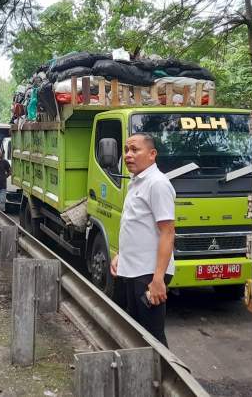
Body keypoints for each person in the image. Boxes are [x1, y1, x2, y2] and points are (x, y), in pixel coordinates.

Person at [110, 133, 176, 347]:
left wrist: (158, 280)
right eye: (127, 150)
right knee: (135, 332)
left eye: (135, 150)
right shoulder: (137, 182)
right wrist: (121, 255)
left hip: (148, 274)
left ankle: (167, 379)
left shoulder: (157, 184)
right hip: (132, 269)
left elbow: (167, 232)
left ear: (152, 154)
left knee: (152, 337)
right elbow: (137, 226)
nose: (128, 155)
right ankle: (142, 377)